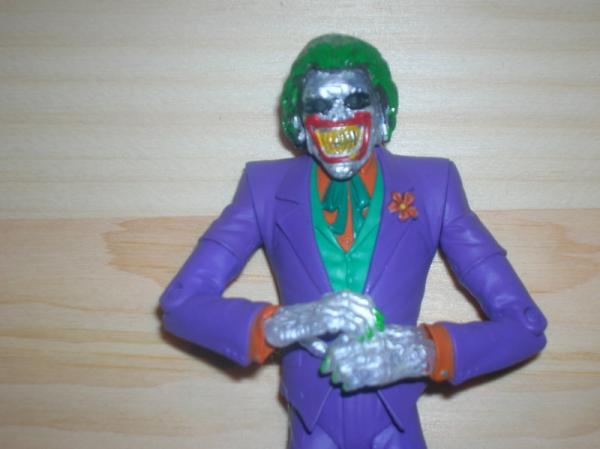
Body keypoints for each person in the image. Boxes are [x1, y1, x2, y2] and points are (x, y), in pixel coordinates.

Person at [159, 34, 547, 449]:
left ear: (383, 113)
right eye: (319, 105)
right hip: (311, 423)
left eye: (356, 100)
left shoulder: (434, 186)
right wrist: (283, 323)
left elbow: (524, 324)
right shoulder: (263, 188)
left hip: (396, 425)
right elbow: (182, 304)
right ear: (299, 123)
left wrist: (424, 351)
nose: (338, 117)